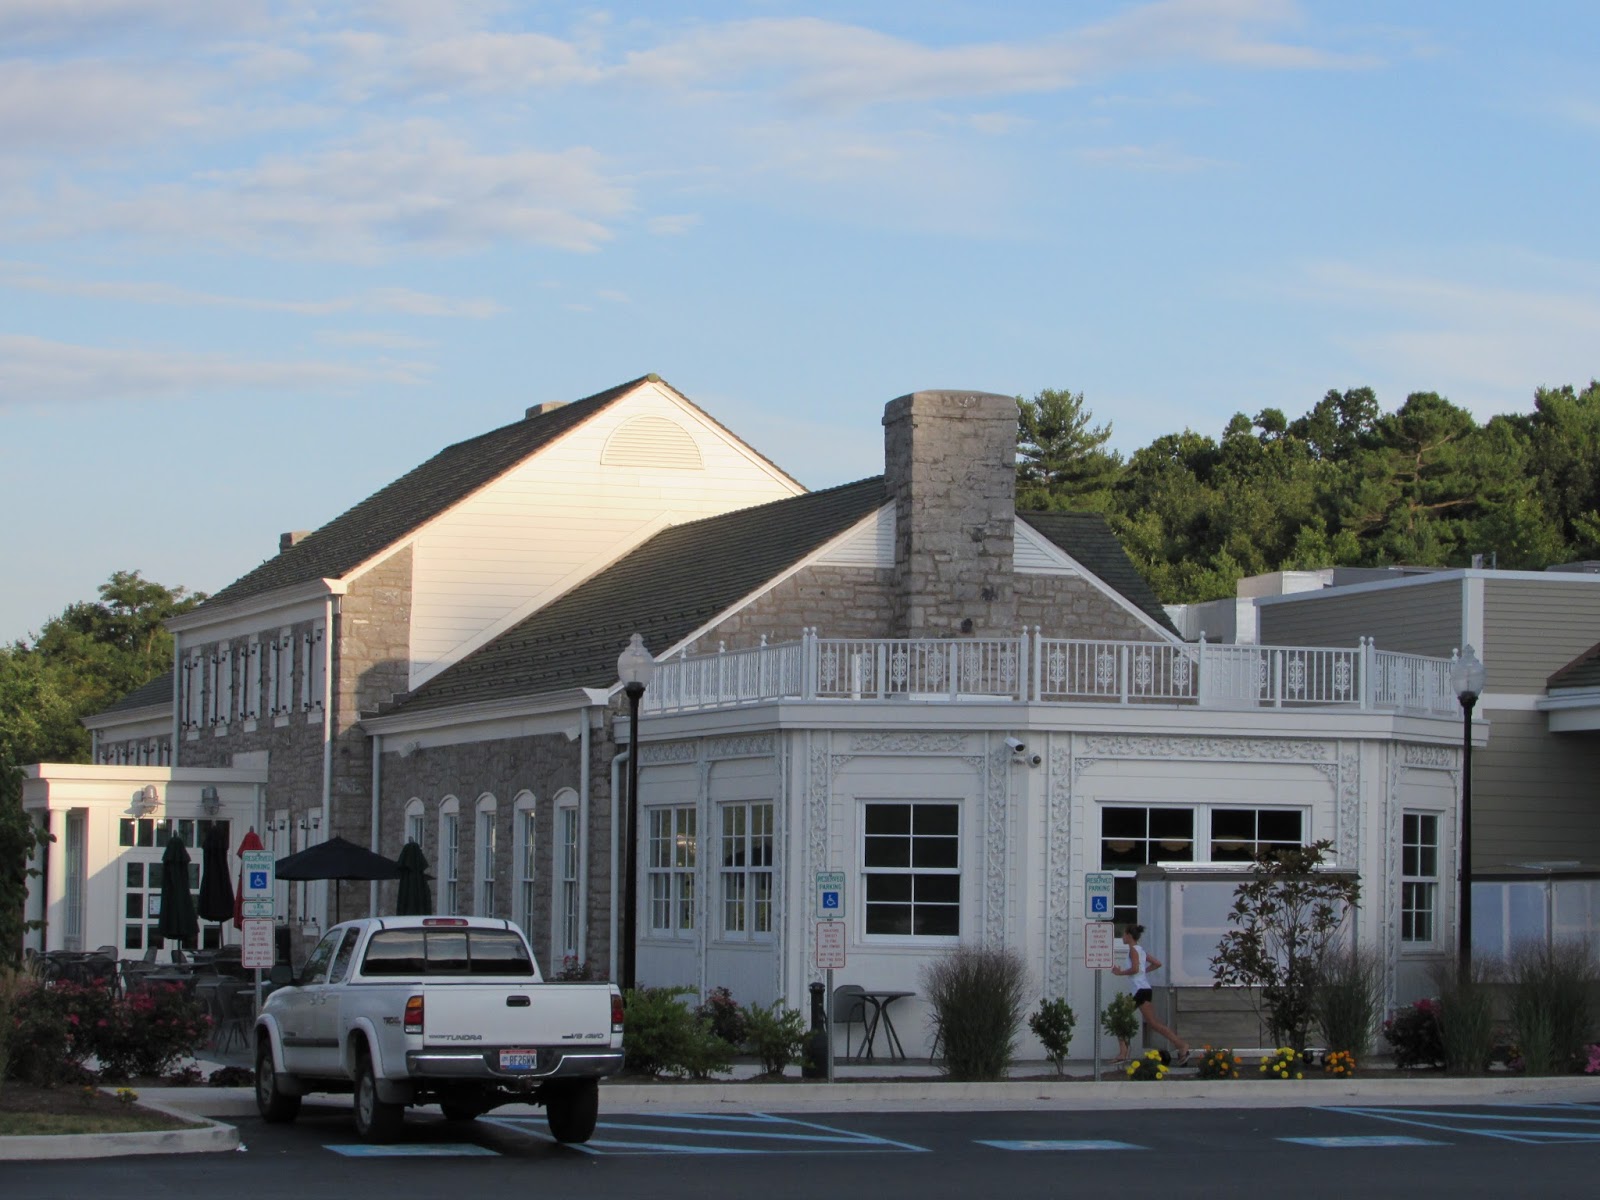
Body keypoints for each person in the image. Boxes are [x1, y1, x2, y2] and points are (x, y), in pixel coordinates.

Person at [1110, 924, 1191, 1066]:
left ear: (1129, 936)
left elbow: (1135, 969)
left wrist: (1120, 972)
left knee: (1119, 1018)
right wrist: (1143, 972)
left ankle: (1123, 1053)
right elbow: (1157, 963)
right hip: (1144, 989)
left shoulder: (1133, 951)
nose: (1122, 937)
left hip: (1139, 990)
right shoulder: (1140, 950)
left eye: (1124, 934)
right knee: (1153, 1023)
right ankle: (1182, 1046)